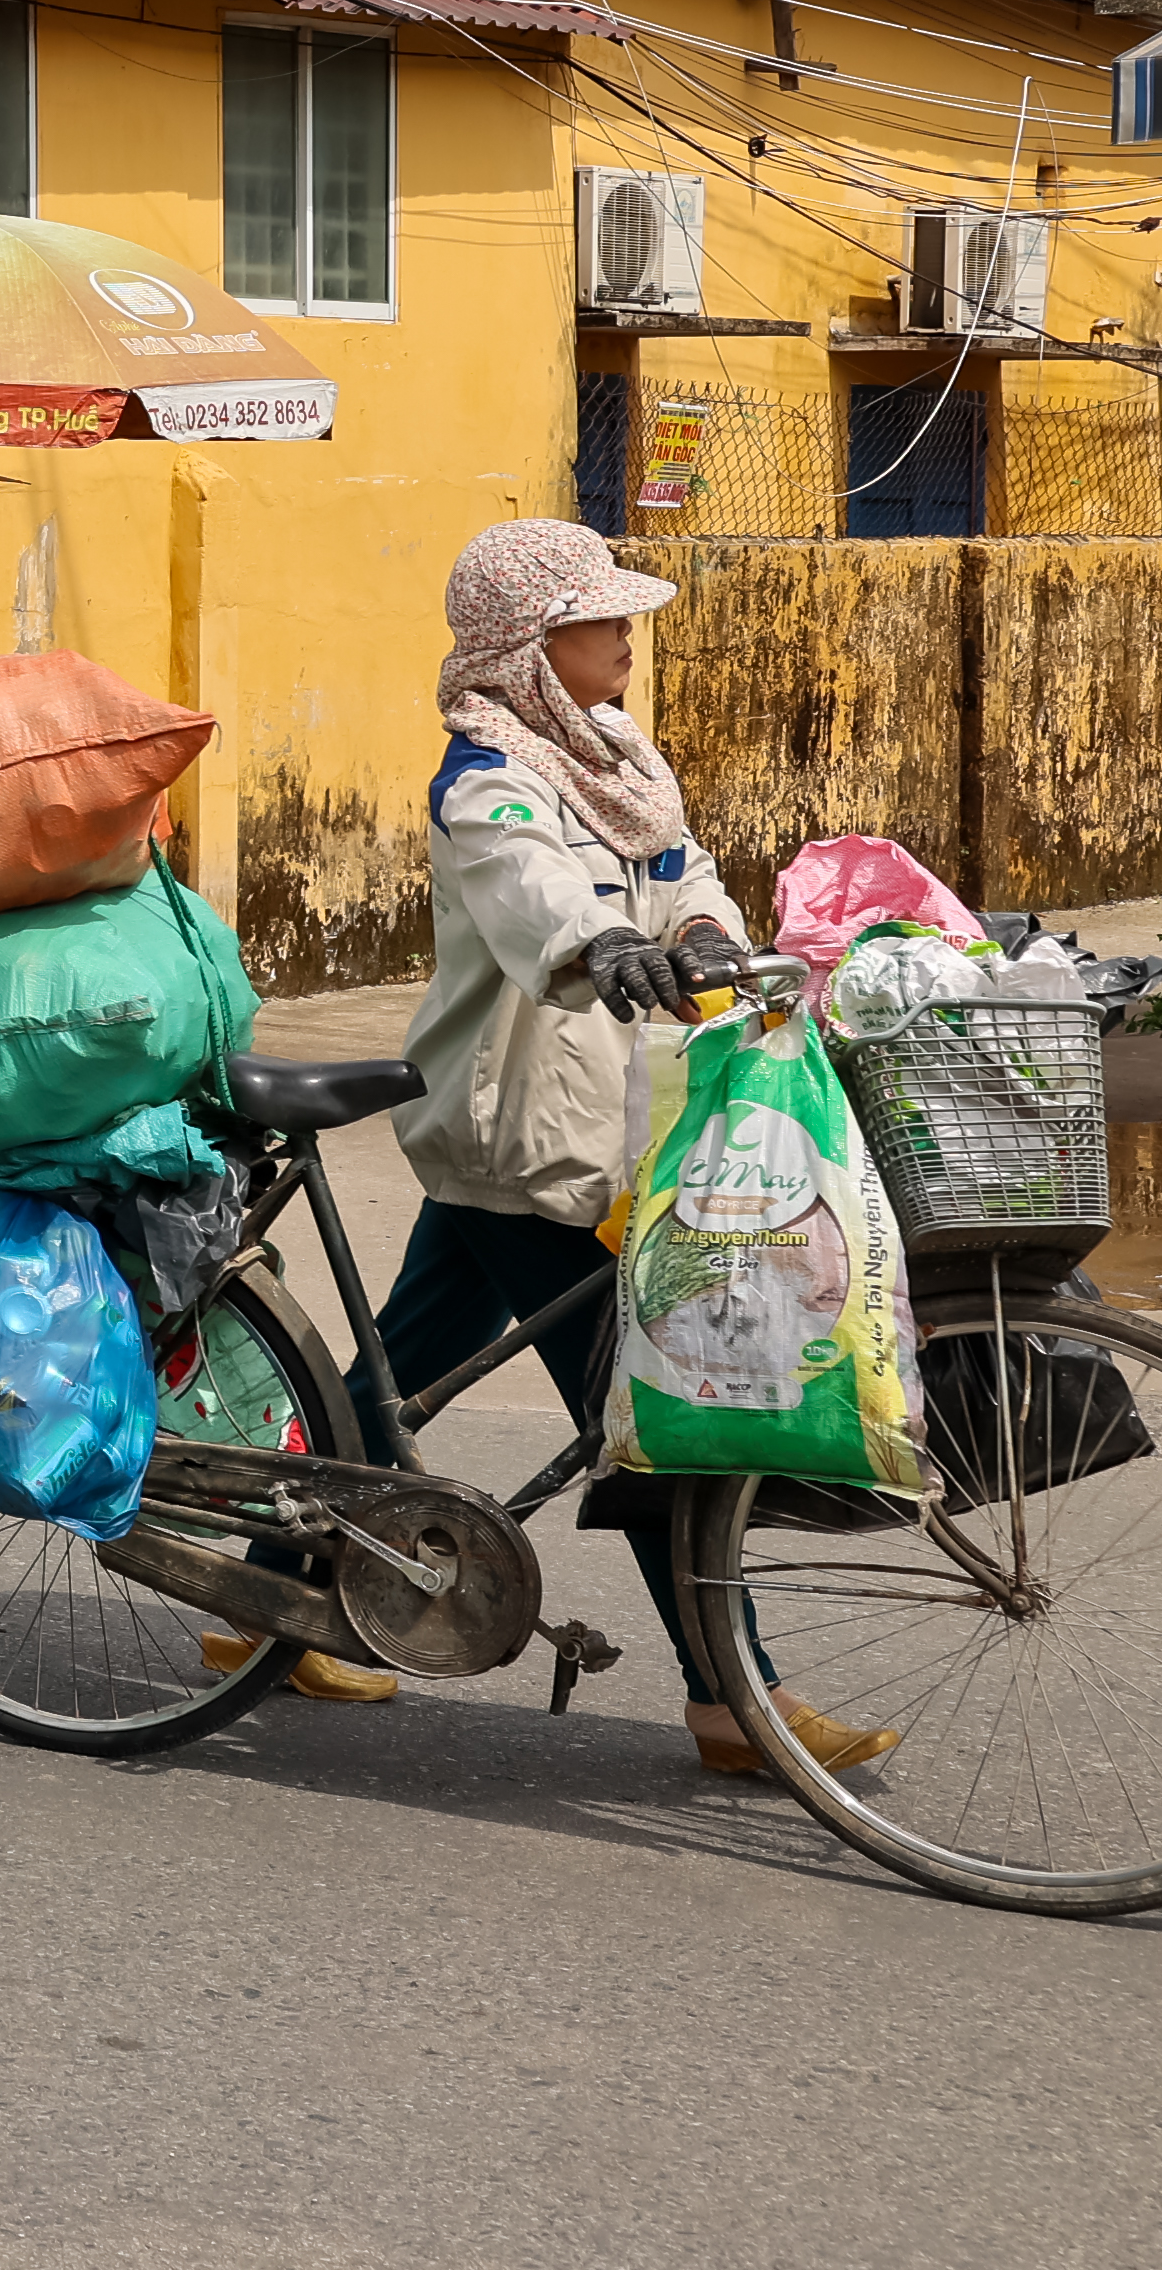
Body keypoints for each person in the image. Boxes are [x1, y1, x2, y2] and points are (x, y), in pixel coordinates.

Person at [282, 515, 884, 1777]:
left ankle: (265, 1601)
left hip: (595, 1127)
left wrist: (708, 935)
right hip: (525, 1134)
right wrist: (603, 949)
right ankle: (737, 1700)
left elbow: (685, 870)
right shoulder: (489, 780)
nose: (625, 638)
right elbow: (532, 897)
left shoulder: (616, 758)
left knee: (388, 1374)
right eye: (598, 621)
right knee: (650, 1426)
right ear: (531, 652)